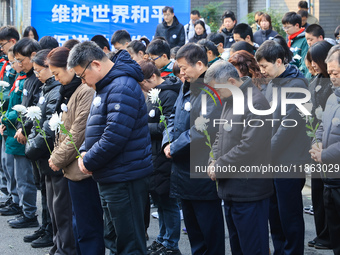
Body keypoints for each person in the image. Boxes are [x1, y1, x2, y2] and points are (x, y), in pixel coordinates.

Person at [68, 41, 153, 255]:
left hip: (125, 176)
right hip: (111, 174)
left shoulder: (121, 86)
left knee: (130, 242)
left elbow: (115, 135)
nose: (83, 82)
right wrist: (86, 150)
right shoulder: (106, 85)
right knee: (115, 239)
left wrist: (88, 160)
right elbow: (96, 126)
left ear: (95, 64)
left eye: (82, 75)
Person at [205, 60, 274, 255]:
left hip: (249, 189)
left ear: (230, 81)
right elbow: (220, 135)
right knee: (238, 247)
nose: (216, 95)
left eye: (217, 90)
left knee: (253, 247)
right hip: (231, 187)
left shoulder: (256, 102)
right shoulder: (230, 99)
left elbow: (249, 146)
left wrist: (220, 165)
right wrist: (213, 159)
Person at [162, 43, 225, 255]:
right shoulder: (185, 85)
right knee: (194, 232)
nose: (181, 72)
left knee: (209, 231)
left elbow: (202, 129)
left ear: (200, 64)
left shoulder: (212, 89)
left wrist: (175, 146)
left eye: (184, 67)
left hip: (201, 173)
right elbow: (172, 115)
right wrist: (167, 141)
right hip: (182, 171)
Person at [47, 46, 105, 255]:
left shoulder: (86, 91)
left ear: (70, 68)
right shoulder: (71, 92)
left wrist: (57, 158)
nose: (56, 79)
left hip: (82, 170)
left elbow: (78, 132)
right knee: (77, 224)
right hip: (72, 170)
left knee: (87, 227)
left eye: (57, 73)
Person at [255, 40, 310, 255]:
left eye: (265, 67)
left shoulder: (297, 86)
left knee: (290, 216)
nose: (262, 72)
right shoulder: (272, 83)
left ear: (279, 61)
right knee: (274, 215)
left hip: (289, 161)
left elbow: (288, 127)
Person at [138, 59, 182, 255]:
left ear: (154, 77)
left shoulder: (169, 95)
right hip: (153, 155)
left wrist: (142, 128)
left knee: (168, 202)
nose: (143, 88)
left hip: (164, 156)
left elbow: (168, 127)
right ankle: (162, 239)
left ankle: (171, 243)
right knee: (160, 200)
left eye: (144, 84)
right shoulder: (152, 95)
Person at [310, 45, 340, 255]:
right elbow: (321, 126)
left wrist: (325, 155)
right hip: (329, 179)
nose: (332, 78)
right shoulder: (332, 98)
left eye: (336, 73)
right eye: (330, 73)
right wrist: (317, 142)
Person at [306, 41, 333, 250]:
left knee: (328, 195)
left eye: (316, 61)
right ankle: (321, 232)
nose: (313, 65)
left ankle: (329, 235)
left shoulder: (334, 84)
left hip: (329, 146)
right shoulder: (314, 81)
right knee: (317, 193)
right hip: (314, 143)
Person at [0, 26, 19, 205]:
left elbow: (15, 100)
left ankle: (20, 203)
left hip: (15, 125)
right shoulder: (6, 63)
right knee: (5, 163)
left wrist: (5, 117)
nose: (1, 48)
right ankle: (10, 196)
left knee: (18, 170)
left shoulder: (22, 74)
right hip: (6, 121)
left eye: (2, 44)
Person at [282, 11, 309, 77]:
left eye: (287, 27)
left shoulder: (305, 40)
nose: (286, 30)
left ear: (297, 25)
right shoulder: (290, 39)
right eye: (284, 27)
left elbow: (304, 63)